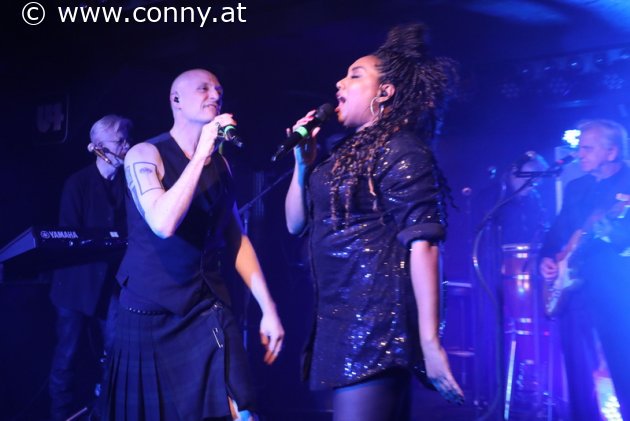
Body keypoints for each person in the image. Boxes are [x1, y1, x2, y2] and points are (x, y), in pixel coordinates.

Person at [284, 23, 464, 420]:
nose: (339, 83)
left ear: (384, 92)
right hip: (339, 316)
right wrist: (302, 164)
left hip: (375, 321)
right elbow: (295, 224)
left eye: (355, 75)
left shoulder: (401, 149)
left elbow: (424, 245)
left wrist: (430, 342)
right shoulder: (344, 155)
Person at [102, 68, 284, 420]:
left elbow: (236, 237)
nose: (215, 96)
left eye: (219, 90)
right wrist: (200, 155)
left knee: (242, 409)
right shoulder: (144, 154)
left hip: (205, 304)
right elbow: (162, 223)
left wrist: (269, 308)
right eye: (203, 89)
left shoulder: (221, 164)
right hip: (150, 308)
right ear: (176, 100)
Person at [539, 119, 630, 420]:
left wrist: (613, 234)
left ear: (611, 152)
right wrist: (547, 259)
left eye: (588, 148)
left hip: (616, 291)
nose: (580, 154)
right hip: (573, 293)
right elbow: (557, 232)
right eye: (580, 148)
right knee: (578, 371)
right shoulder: (576, 187)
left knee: (623, 366)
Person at [49, 114, 131, 421]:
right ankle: (59, 415)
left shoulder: (128, 183)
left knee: (114, 354)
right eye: (119, 141)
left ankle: (103, 414)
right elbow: (69, 234)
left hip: (110, 285)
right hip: (74, 286)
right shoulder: (78, 183)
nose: (126, 146)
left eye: (127, 140)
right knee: (67, 355)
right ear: (98, 146)